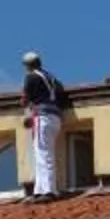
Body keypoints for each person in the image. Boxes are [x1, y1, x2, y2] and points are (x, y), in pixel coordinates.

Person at [20, 53, 68, 198]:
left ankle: (49, 190)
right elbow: (62, 97)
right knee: (43, 152)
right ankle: (39, 190)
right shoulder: (52, 78)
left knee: (43, 153)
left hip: (43, 117)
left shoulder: (31, 77)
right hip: (55, 118)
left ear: (27, 65)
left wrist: (25, 104)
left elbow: (24, 100)